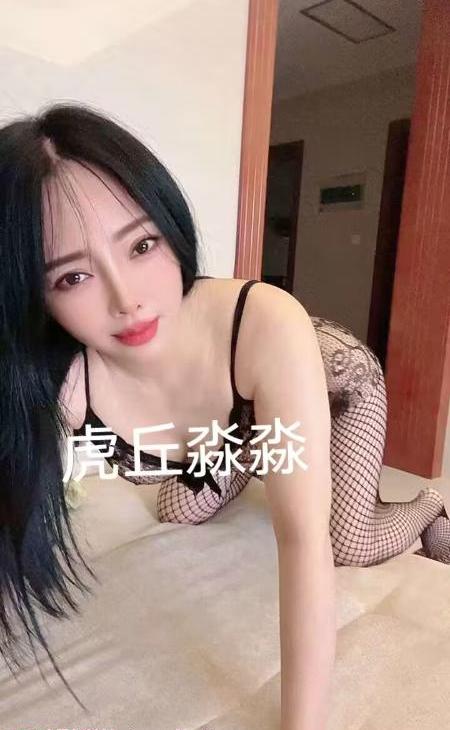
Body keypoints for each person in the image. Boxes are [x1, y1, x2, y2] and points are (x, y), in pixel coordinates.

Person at [0, 102, 447, 727]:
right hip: (232, 429)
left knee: (346, 539)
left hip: (332, 388)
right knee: (179, 509)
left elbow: (301, 544)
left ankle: (429, 504)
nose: (128, 300)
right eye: (73, 278)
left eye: (142, 245)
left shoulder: (267, 321)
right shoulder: (60, 384)